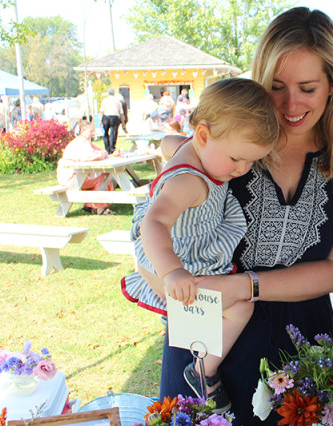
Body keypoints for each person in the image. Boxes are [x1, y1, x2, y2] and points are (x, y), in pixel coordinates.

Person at [155, 7, 333, 425]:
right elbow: (167, 185)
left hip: (303, 345)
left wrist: (243, 285)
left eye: (307, 88)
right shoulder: (225, 148)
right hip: (209, 343)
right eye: (276, 87)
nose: (291, 104)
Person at [120, 78, 279, 413]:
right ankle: (203, 371)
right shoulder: (190, 182)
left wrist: (171, 146)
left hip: (186, 255)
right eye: (237, 158)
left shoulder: (194, 147)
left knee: (214, 315)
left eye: (252, 161)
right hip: (181, 265)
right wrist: (172, 272)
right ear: (204, 135)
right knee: (241, 305)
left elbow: (167, 142)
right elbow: (154, 222)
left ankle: (199, 363)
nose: (242, 169)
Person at [57, 119, 115, 215]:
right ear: (82, 131)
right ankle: (100, 207)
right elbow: (89, 156)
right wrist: (102, 154)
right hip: (71, 178)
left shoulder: (83, 142)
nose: (92, 133)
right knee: (104, 176)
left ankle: (90, 205)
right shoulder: (80, 143)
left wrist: (103, 153)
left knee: (97, 175)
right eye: (90, 131)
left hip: (71, 175)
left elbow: (98, 151)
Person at [99, 87, 124, 154]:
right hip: (115, 117)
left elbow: (101, 111)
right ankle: (112, 148)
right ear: (114, 93)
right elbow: (121, 113)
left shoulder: (104, 100)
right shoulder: (117, 101)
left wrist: (100, 120)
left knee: (105, 133)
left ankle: (107, 149)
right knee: (113, 133)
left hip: (106, 117)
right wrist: (123, 123)